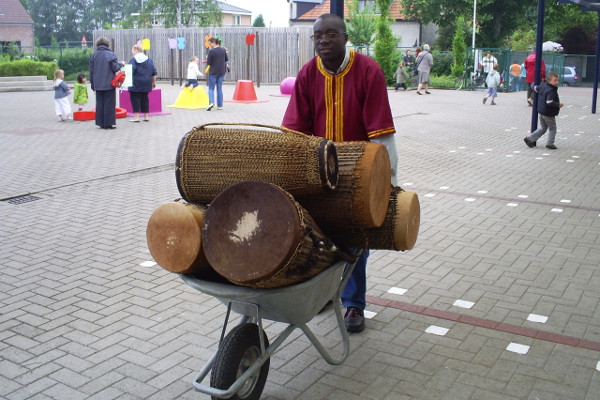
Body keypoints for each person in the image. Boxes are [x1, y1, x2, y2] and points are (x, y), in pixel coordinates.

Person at [282, 13, 398, 333]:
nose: (323, 40)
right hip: (317, 173)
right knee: (318, 236)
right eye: (317, 35)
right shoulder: (308, 74)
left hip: (360, 174)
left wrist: (387, 184)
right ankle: (324, 294)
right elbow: (294, 132)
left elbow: (382, 135)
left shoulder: (368, 71)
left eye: (331, 34)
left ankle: (354, 304)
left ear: (346, 38)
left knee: (354, 240)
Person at [89, 37, 123, 129]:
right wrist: (121, 64)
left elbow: (91, 71)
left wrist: (92, 84)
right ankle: (108, 124)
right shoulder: (110, 54)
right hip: (109, 84)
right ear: (107, 44)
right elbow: (115, 68)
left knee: (99, 104)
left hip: (98, 84)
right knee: (109, 104)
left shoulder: (94, 55)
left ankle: (100, 123)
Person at [523, 71, 563, 150]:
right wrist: (558, 105)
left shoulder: (543, 86)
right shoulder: (551, 90)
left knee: (543, 127)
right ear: (549, 81)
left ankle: (530, 139)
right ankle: (550, 143)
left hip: (541, 111)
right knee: (553, 128)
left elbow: (534, 88)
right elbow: (549, 102)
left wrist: (533, 84)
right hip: (548, 112)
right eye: (554, 80)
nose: (556, 82)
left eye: (557, 80)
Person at [127, 44, 157, 123]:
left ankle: (136, 117)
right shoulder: (149, 60)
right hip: (146, 82)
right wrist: (154, 82)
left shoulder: (133, 60)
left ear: (136, 50)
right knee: (145, 99)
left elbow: (130, 70)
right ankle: (146, 116)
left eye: (132, 50)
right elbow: (154, 72)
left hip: (135, 83)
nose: (132, 52)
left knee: (135, 99)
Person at [206, 37, 228, 111]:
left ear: (213, 42)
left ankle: (211, 103)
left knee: (211, 88)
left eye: (210, 43)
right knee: (219, 88)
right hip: (221, 71)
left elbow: (209, 63)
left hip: (213, 72)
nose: (210, 45)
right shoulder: (223, 50)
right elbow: (226, 60)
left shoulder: (211, 51)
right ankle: (220, 106)